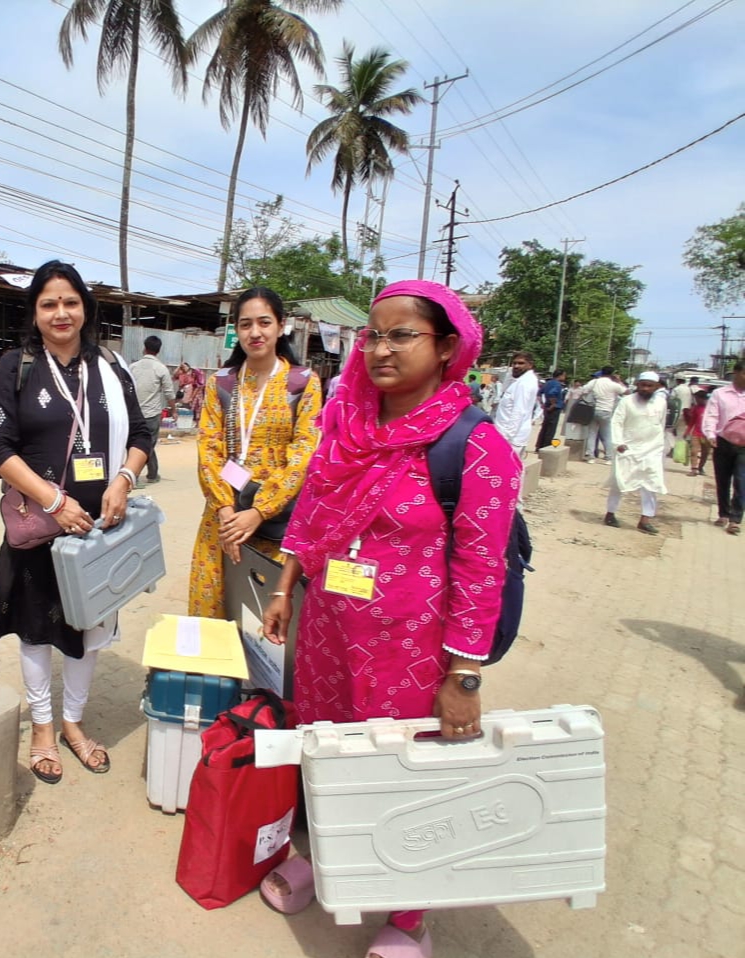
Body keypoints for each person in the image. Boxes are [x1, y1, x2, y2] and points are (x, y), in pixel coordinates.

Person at [258, 280, 520, 958]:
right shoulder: (347, 426)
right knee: (324, 750)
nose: (379, 349)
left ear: (447, 347)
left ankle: (408, 916)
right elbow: (312, 514)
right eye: (372, 335)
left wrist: (463, 678)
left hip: (408, 652)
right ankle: (325, 859)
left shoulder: (474, 446)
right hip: (328, 635)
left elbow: (481, 570)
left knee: (404, 774)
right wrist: (285, 588)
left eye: (401, 335)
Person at [0, 260, 151, 783]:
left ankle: (73, 723)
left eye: (71, 302)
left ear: (85, 308)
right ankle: (42, 727)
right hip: (41, 525)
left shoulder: (111, 367)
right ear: (34, 312)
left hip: (98, 531)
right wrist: (54, 501)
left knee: (89, 628)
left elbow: (141, 434)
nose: (61, 312)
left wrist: (124, 478)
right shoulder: (17, 367)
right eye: (49, 303)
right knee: (36, 631)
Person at [188, 286, 321, 619]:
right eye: (245, 324)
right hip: (224, 517)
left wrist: (259, 511)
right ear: (236, 329)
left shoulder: (303, 383)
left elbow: (303, 454)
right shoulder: (222, 383)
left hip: (275, 521)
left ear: (281, 325)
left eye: (264, 322)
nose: (255, 332)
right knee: (214, 609)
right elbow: (209, 447)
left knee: (265, 621)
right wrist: (225, 510)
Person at [603, 370, 667, 535]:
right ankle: (610, 514)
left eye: (649, 386)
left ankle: (645, 519)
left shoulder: (661, 402)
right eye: (642, 385)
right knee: (620, 481)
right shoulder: (626, 401)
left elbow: (661, 424)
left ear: (656, 387)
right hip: (628, 448)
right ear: (637, 384)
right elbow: (616, 422)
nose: (645, 389)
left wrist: (659, 446)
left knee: (651, 483)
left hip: (652, 449)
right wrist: (618, 443)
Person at [702, 361, 745, 536]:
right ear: (736, 373)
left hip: (744, 446)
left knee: (742, 481)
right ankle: (723, 514)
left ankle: (735, 519)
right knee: (723, 480)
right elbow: (711, 416)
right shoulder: (720, 394)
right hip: (723, 442)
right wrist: (710, 435)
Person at [130, 335, 176, 484]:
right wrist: (174, 410)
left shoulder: (133, 367)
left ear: (144, 348)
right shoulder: (161, 369)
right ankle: (135, 476)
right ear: (158, 351)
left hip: (134, 414)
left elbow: (126, 389)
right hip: (151, 414)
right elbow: (169, 393)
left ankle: (152, 473)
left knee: (137, 445)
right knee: (147, 445)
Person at [493, 351, 539, 458]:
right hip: (508, 435)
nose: (516, 366)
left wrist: (506, 437)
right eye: (514, 363)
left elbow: (518, 411)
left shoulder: (524, 383)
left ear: (530, 365)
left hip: (511, 438)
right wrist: (510, 372)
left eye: (521, 363)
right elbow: (504, 388)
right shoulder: (520, 380)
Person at [582, 366, 626, 461]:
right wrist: (618, 381)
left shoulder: (595, 382)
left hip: (593, 409)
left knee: (592, 434)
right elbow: (626, 391)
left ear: (602, 372)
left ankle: (590, 456)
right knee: (607, 435)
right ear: (612, 373)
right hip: (606, 411)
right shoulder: (613, 384)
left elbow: (584, 389)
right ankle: (609, 457)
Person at [535, 369, 567, 452]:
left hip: (547, 406)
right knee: (551, 428)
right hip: (554, 408)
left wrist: (542, 404)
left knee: (544, 427)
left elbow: (539, 393)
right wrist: (553, 404)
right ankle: (546, 446)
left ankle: (539, 445)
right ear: (560, 375)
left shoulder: (548, 383)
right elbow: (552, 393)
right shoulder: (557, 384)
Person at [683, 389, 711, 477]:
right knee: (694, 451)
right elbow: (692, 421)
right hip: (696, 433)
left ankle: (700, 467)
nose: (696, 401)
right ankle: (694, 469)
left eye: (697, 399)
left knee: (705, 453)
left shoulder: (711, 408)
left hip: (707, 434)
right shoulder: (696, 408)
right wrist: (687, 431)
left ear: (703, 399)